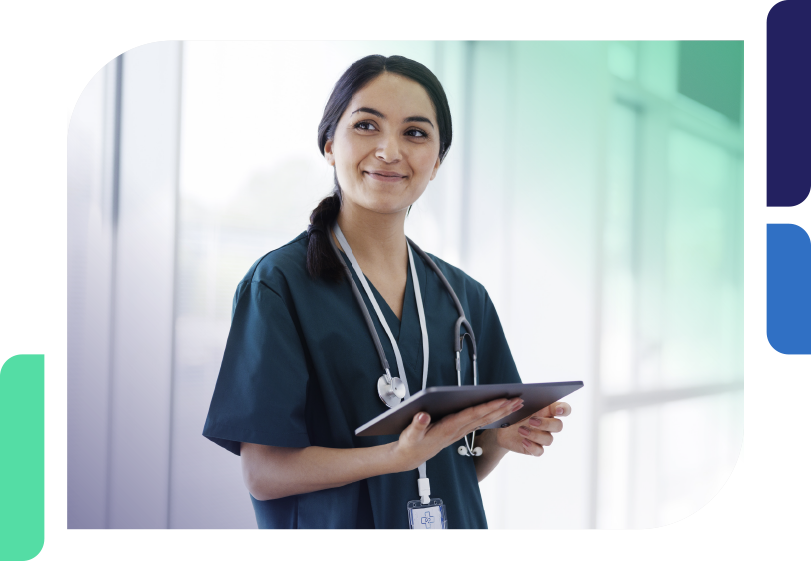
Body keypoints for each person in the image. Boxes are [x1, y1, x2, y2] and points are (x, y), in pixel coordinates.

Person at [202, 54, 572, 529]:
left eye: (415, 133)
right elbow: (263, 473)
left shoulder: (466, 298)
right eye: (366, 126)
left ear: (437, 161)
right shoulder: (278, 285)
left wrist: (500, 439)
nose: (389, 150)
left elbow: (458, 464)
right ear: (329, 143)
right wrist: (391, 457)